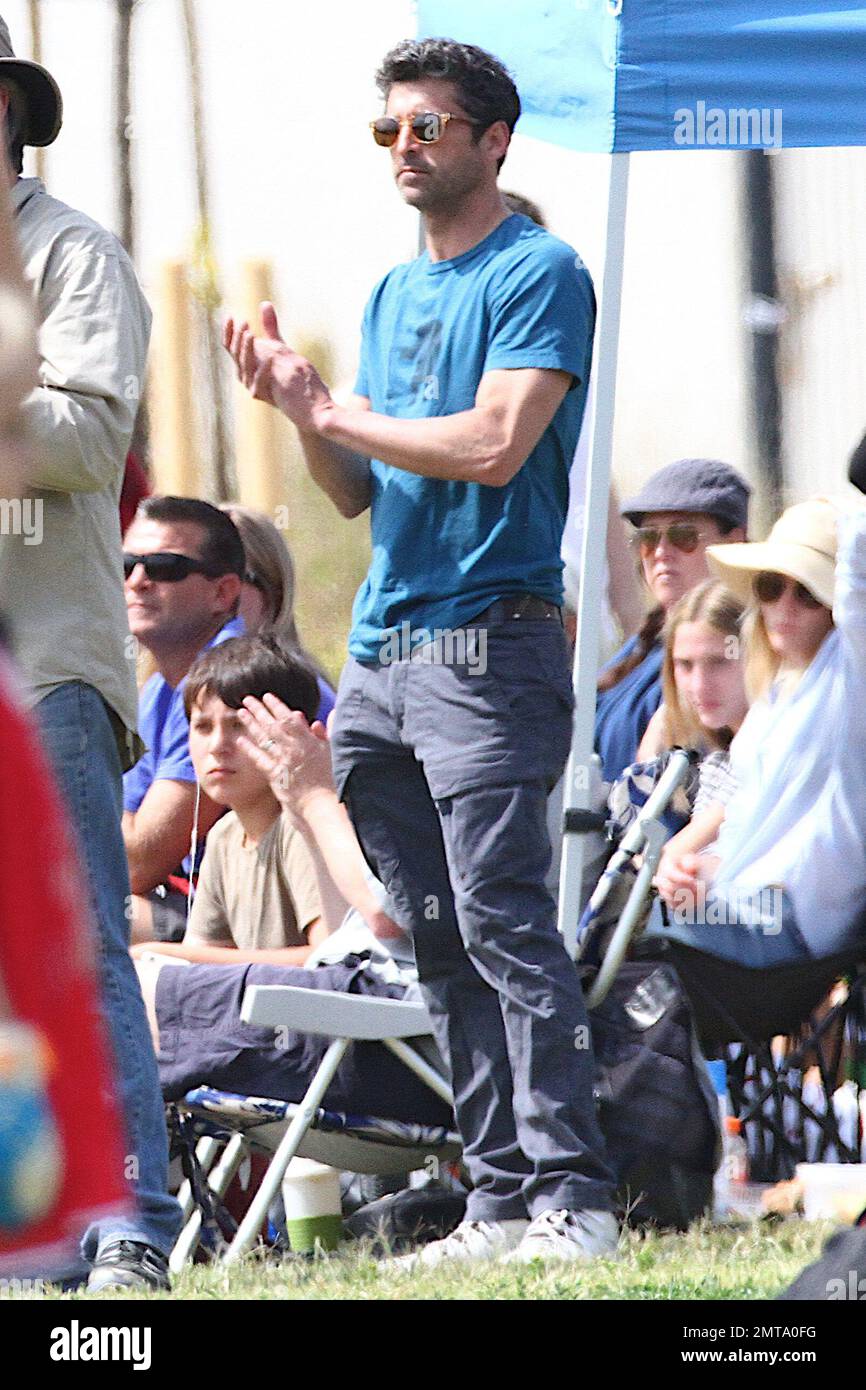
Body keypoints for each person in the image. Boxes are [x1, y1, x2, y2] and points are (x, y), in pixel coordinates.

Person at [225, 36, 619, 1266]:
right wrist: (301, 410)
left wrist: (339, 409)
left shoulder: (537, 269)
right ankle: (497, 1200)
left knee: (504, 922)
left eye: (427, 128)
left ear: (492, 141)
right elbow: (353, 493)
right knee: (432, 934)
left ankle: (576, 1199)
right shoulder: (394, 294)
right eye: (387, 131)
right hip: (387, 651)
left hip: (487, 647)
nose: (404, 148)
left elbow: (496, 442)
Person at [0, 18, 181, 1289]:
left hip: (49, 666)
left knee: (73, 952)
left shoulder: (68, 253)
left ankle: (129, 1229)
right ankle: (37, 1233)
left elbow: (82, 439)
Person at [651, 497, 866, 966]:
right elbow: (747, 836)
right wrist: (690, 874)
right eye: (770, 587)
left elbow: (860, 585)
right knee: (618, 925)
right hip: (746, 903)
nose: (784, 606)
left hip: (799, 920)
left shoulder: (852, 677)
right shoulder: (775, 697)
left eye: (808, 591)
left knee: (640, 942)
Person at [131, 633, 344, 966]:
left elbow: (327, 959)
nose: (218, 745)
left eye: (239, 725)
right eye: (202, 727)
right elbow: (200, 955)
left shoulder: (301, 829)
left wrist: (163, 952)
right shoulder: (224, 835)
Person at [122, 496, 246, 944]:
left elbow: (137, 861)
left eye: (165, 567)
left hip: (245, 926)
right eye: (127, 564)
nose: (138, 581)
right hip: (184, 903)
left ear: (223, 592)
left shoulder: (234, 680)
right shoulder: (160, 688)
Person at [595, 457, 750, 783]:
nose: (661, 552)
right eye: (649, 539)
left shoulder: (747, 649)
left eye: (683, 536)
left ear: (735, 541)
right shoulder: (639, 649)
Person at [221, 503, 336, 722]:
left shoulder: (293, 689)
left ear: (274, 594)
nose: (212, 591)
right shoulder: (162, 683)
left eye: (229, 578)